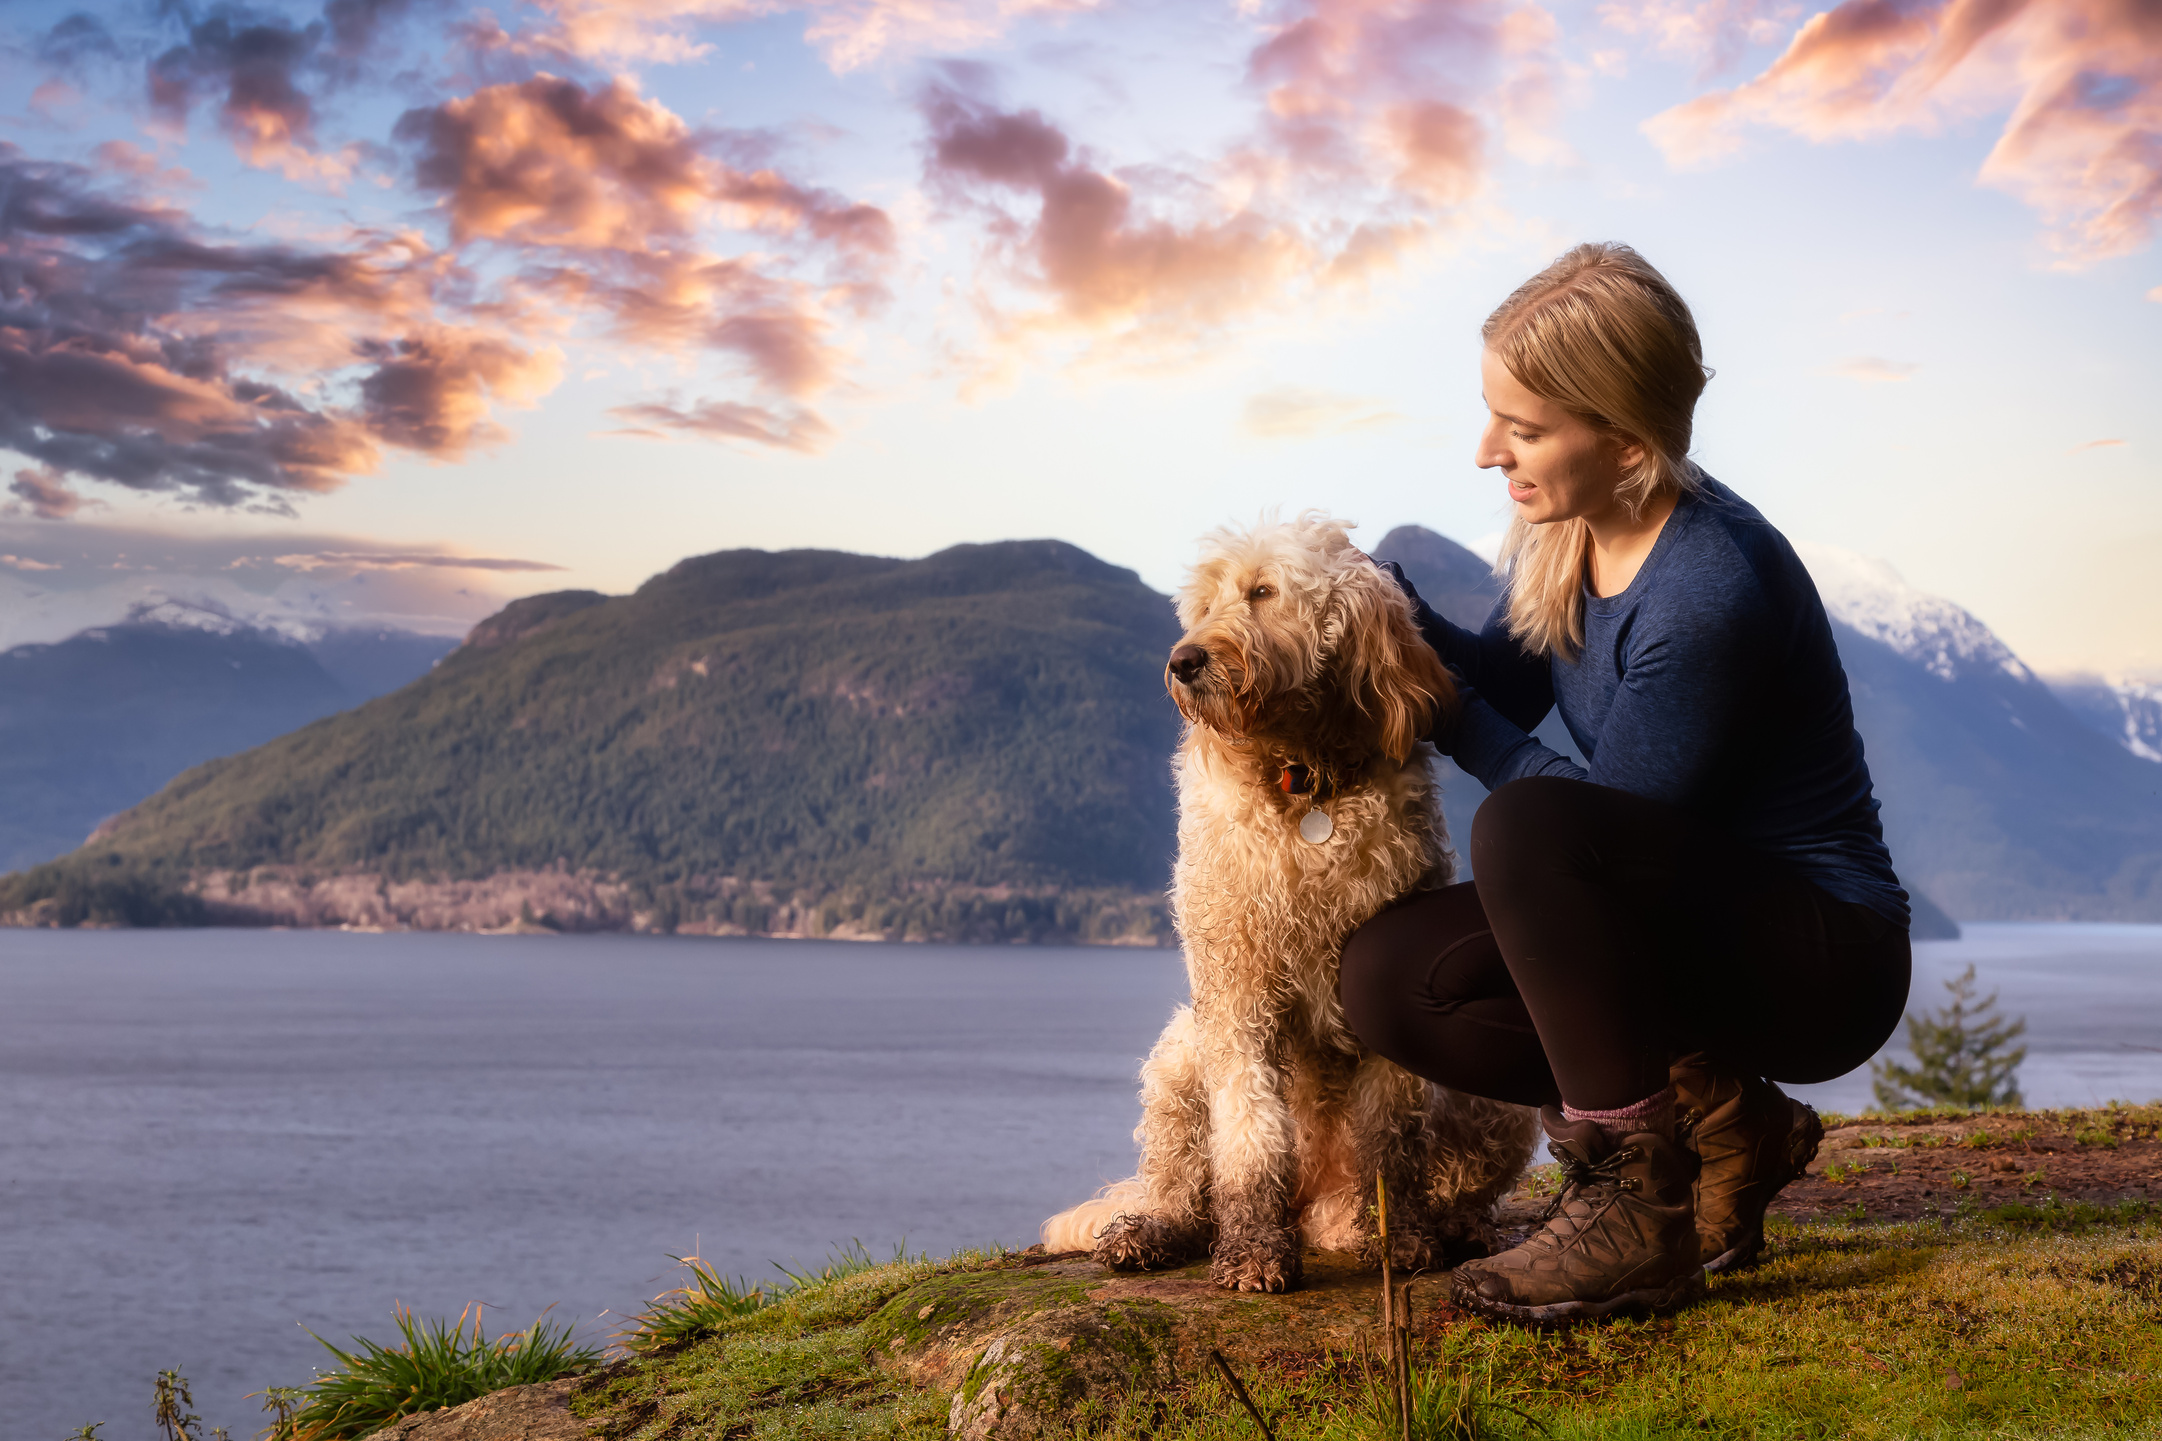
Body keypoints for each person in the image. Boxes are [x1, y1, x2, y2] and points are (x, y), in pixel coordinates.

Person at [1339, 242, 1913, 1325]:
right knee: (1383, 980)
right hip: (1678, 916)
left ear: (1622, 433)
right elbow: (1502, 674)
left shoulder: (1708, 587)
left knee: (1525, 828)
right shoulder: (1571, 529)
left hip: (1818, 956)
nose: (1484, 453)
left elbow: (1596, 828)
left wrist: (1449, 715)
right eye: (1490, 416)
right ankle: (1728, 1121)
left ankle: (1630, 1207)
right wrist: (1383, 613)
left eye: (1521, 428)